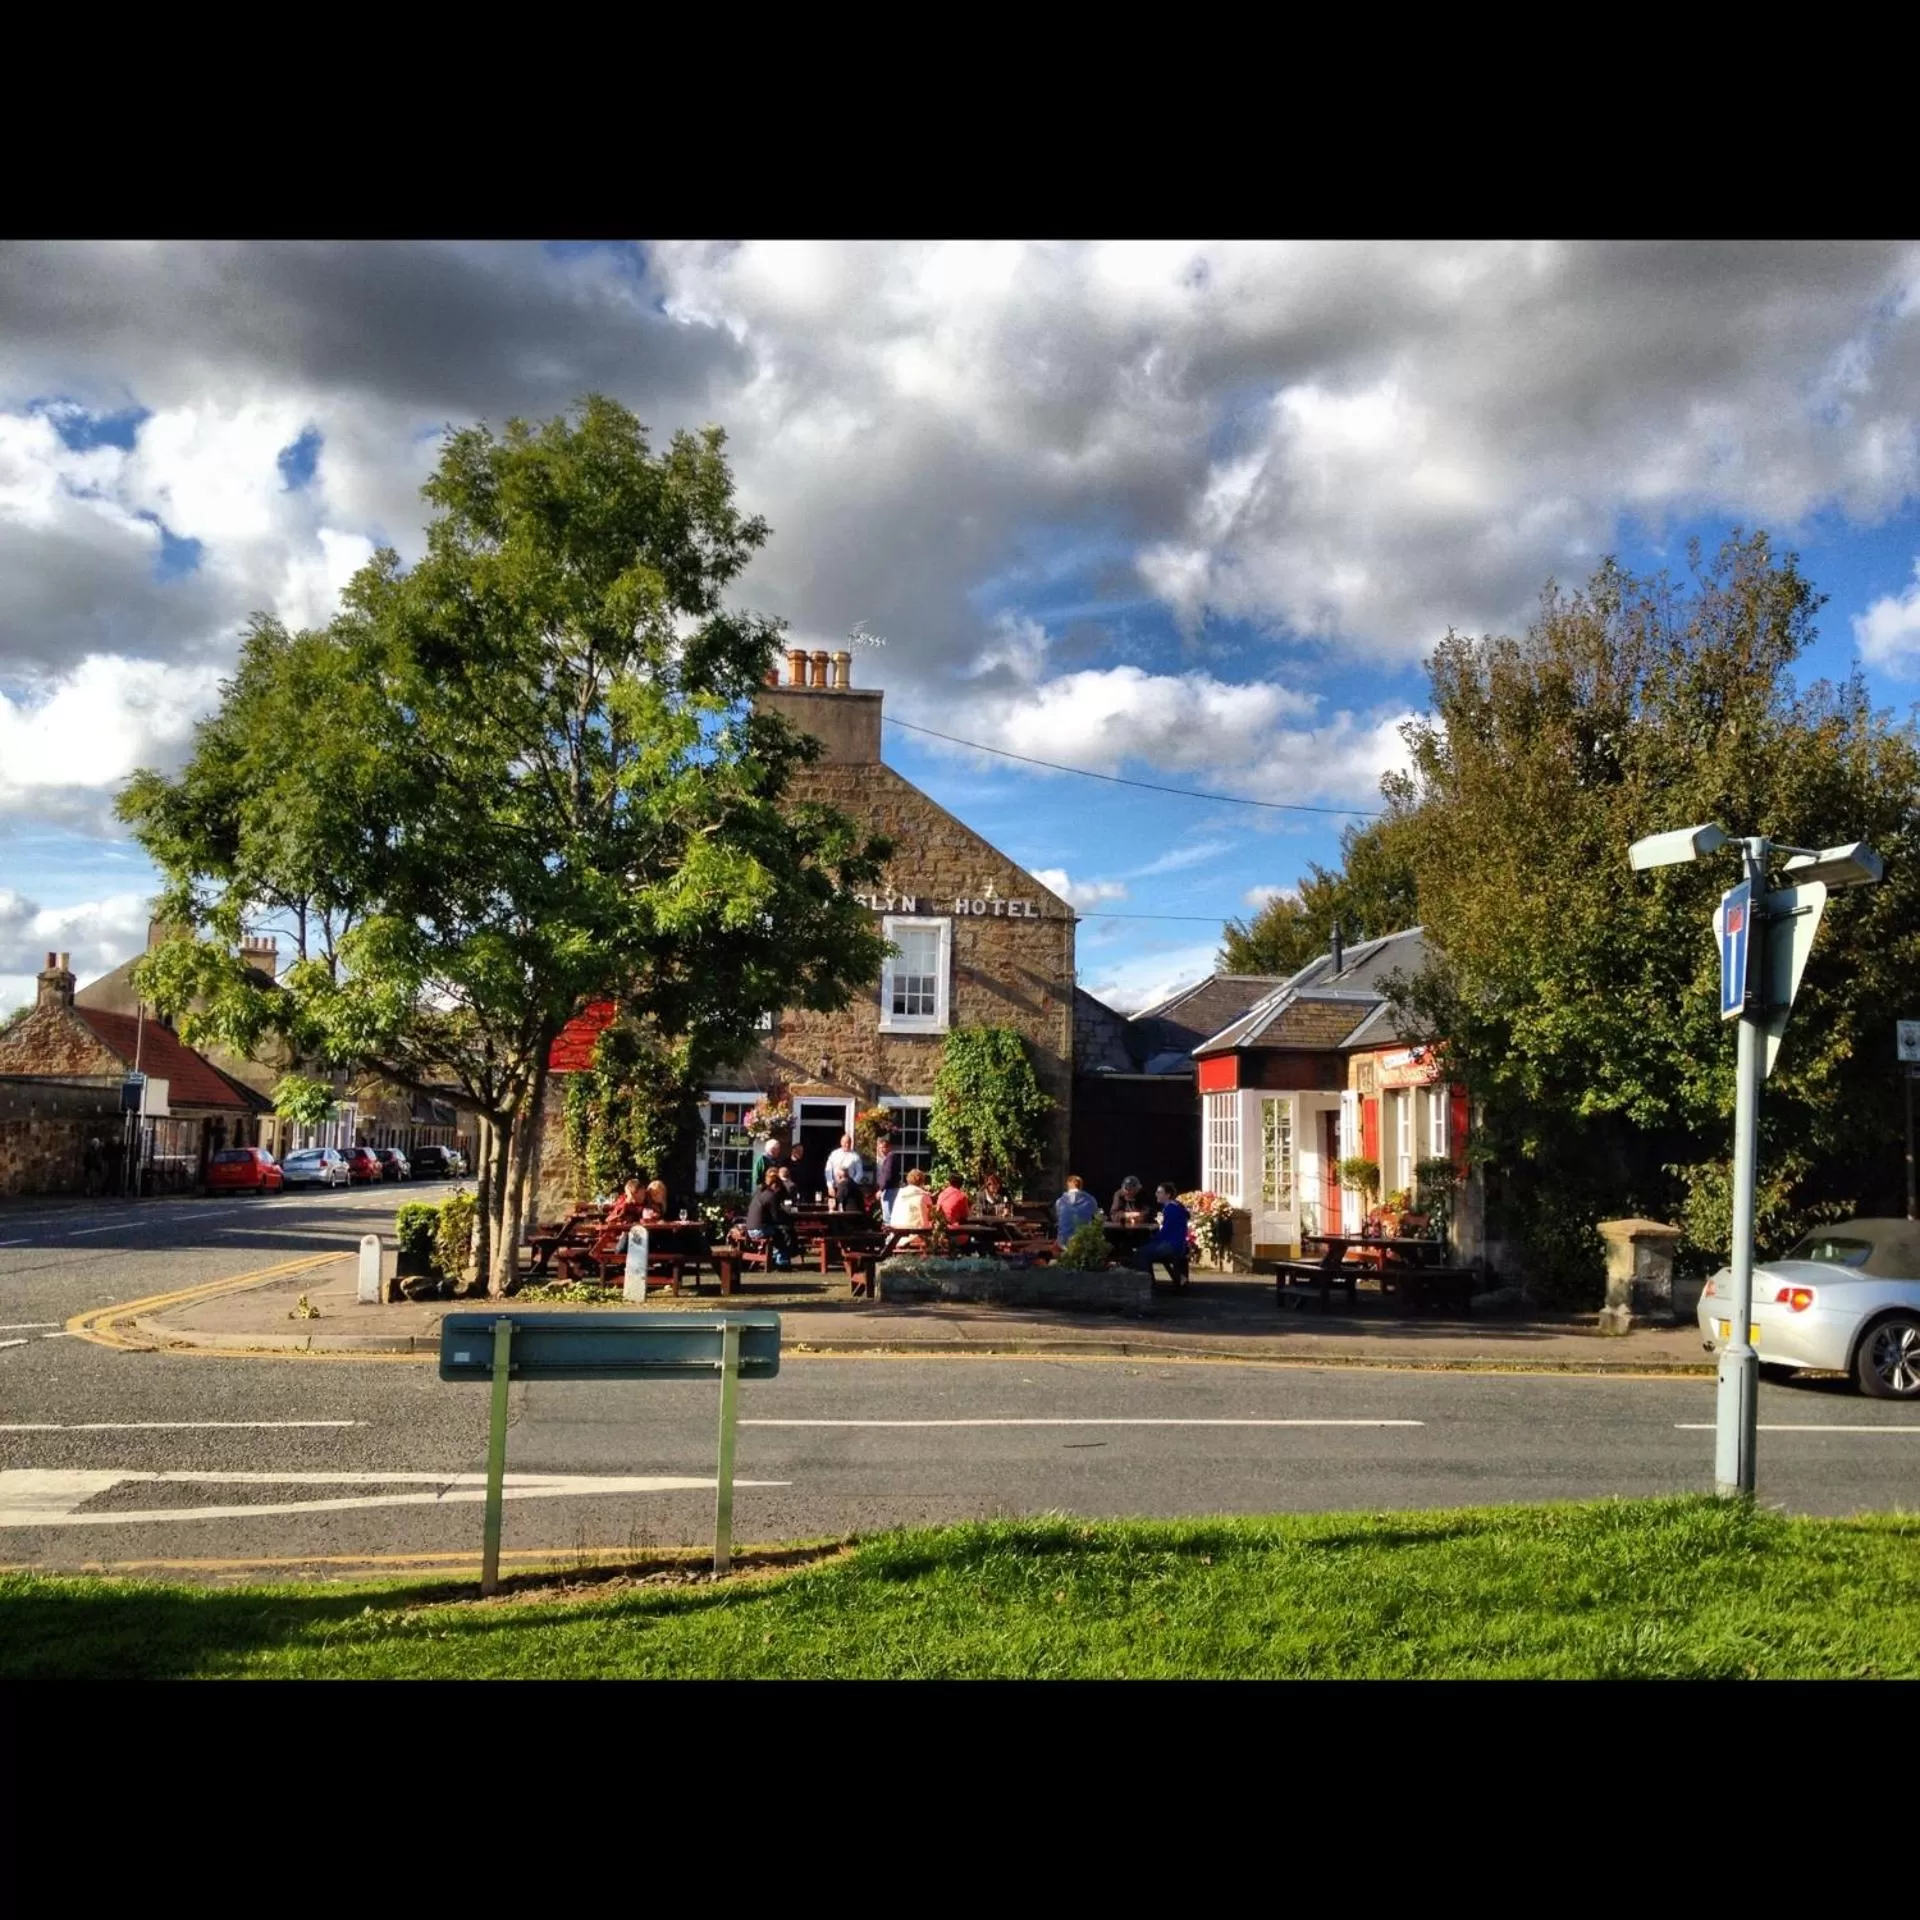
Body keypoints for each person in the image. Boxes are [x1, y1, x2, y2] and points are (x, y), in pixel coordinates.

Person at [1124, 1183, 1192, 1277]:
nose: (1156, 1194)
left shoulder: (1170, 1209)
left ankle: (1146, 1282)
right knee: (1145, 1249)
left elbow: (1166, 1232)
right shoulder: (1176, 1206)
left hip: (1172, 1245)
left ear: (1168, 1195)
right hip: (1179, 1244)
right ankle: (1151, 1281)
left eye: (1159, 1192)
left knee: (1141, 1253)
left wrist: (1153, 1238)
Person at [743, 1168, 798, 1268]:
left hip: (749, 1228)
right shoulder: (771, 1196)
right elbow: (775, 1217)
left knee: (779, 1231)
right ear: (776, 1186)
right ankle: (782, 1261)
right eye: (779, 1187)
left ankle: (776, 1257)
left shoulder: (761, 1193)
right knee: (783, 1232)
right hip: (758, 1230)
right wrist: (787, 1216)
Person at [889, 1166, 935, 1242]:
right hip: (913, 1237)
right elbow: (928, 1221)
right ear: (922, 1182)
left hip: (895, 1238)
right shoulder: (923, 1197)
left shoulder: (899, 1195)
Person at [825, 1133, 865, 1211]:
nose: (846, 1145)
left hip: (849, 1187)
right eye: (845, 1142)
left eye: (848, 1143)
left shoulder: (855, 1156)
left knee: (847, 1207)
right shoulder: (834, 1154)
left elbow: (860, 1173)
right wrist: (830, 1186)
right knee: (834, 1207)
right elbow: (828, 1170)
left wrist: (851, 1184)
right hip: (835, 1187)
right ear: (841, 1142)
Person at [1055, 1174, 1099, 1240]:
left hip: (1063, 1242)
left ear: (1067, 1186)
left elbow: (1060, 1219)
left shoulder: (1059, 1201)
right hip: (1084, 1242)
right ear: (1081, 1186)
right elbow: (1097, 1217)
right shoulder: (1091, 1199)